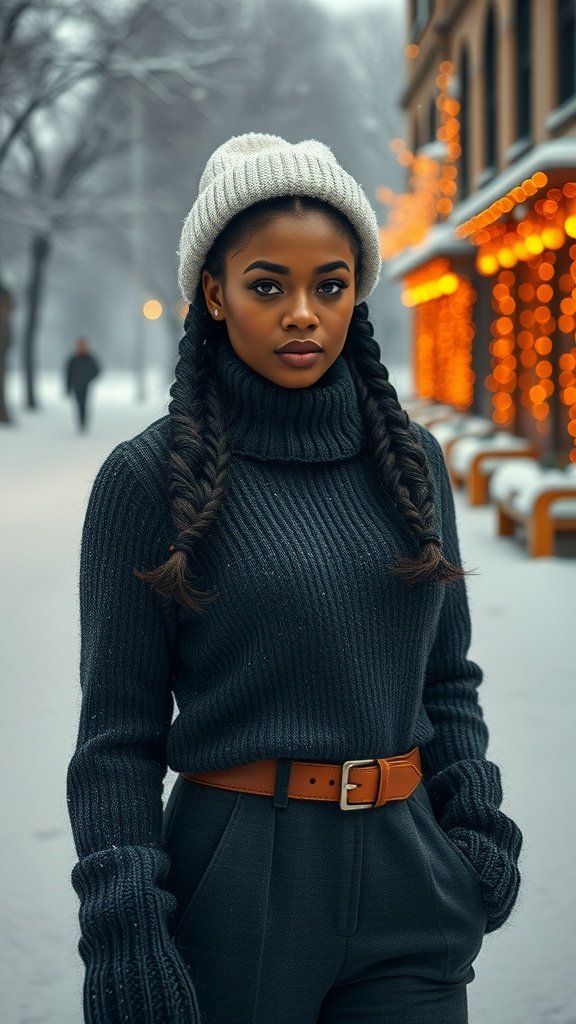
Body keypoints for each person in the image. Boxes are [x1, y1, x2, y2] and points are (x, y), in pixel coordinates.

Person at [66, 133, 522, 1024]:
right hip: (238, 882)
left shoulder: (412, 462)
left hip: (410, 874)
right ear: (215, 294)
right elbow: (116, 739)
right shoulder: (147, 479)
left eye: (331, 284)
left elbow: (446, 678)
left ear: (358, 291)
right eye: (267, 285)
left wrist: (475, 831)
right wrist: (125, 931)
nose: (303, 313)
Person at [64, 337, 100, 432]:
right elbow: (68, 374)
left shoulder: (90, 358)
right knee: (78, 404)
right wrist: (67, 387)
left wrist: (89, 379)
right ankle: (80, 424)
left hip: (85, 386)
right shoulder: (73, 359)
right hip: (76, 385)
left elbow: (97, 370)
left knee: (84, 404)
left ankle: (84, 424)